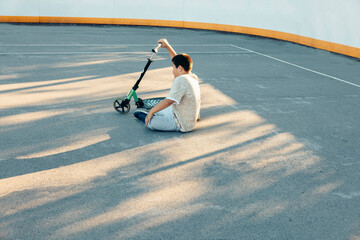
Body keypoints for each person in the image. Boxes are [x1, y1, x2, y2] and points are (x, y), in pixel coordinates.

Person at [134, 39, 201, 132]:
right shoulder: (192, 76)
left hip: (181, 123)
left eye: (173, 67)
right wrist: (168, 46)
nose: (172, 70)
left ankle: (144, 115)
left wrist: (152, 112)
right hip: (188, 117)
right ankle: (155, 113)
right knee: (162, 109)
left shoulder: (181, 79)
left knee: (151, 123)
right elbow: (176, 60)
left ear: (180, 68)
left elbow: (169, 101)